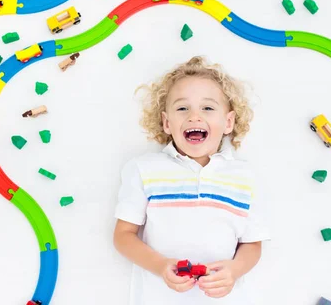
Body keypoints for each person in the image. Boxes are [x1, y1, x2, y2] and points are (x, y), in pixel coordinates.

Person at [113, 56, 271, 304]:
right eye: (182, 108)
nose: (194, 116)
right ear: (167, 122)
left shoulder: (245, 176)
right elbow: (123, 236)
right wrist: (160, 266)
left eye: (208, 108)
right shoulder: (143, 169)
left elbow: (252, 244)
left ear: (228, 122)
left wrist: (234, 271)